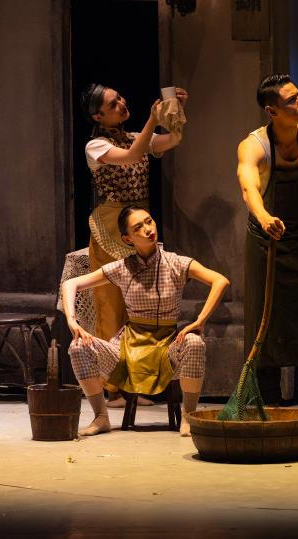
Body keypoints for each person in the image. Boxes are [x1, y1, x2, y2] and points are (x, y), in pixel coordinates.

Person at [63, 206, 229, 437]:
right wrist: (72, 321)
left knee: (194, 342)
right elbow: (71, 283)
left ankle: (188, 416)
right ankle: (101, 417)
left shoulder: (176, 263)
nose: (148, 229)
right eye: (138, 227)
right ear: (127, 239)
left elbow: (220, 281)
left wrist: (200, 321)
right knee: (78, 346)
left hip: (168, 346)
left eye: (149, 221)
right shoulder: (123, 267)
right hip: (128, 348)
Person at [236, 73, 298, 442]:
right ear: (271, 111)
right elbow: (248, 186)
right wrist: (264, 217)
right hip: (265, 241)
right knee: (265, 323)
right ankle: (269, 408)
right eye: (292, 100)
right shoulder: (254, 146)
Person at [80, 82, 187, 404]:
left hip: (139, 225)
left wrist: (175, 112)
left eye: (120, 98)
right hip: (112, 229)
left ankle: (135, 383)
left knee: (140, 311)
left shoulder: (134, 136)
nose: (122, 104)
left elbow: (174, 140)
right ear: (98, 116)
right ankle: (111, 388)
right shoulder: (96, 146)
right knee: (111, 308)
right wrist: (153, 119)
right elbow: (132, 156)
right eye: (113, 104)